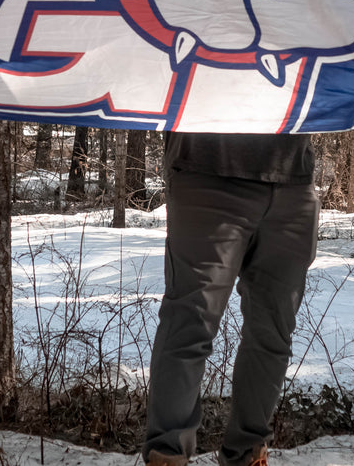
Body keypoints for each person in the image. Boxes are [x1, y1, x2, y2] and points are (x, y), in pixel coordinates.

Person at [142, 132, 320, 466]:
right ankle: (167, 456)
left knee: (273, 333)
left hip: (292, 182)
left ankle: (248, 454)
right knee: (190, 324)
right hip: (209, 172)